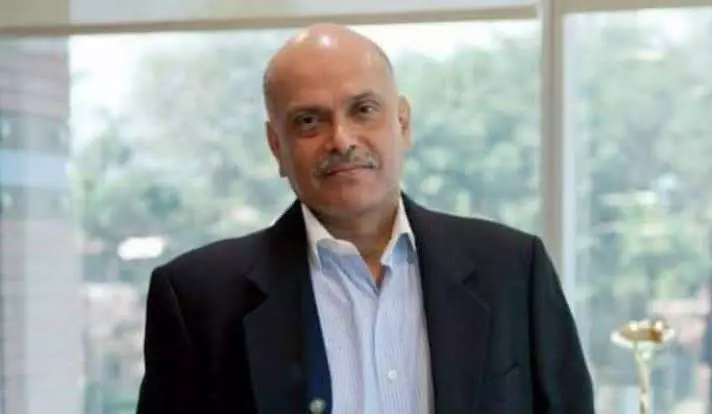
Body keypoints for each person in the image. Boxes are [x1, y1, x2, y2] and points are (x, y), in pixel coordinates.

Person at [136, 23, 594, 414]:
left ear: (403, 123)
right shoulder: (198, 299)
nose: (341, 139)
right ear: (276, 146)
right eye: (309, 121)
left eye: (363, 110)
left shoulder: (512, 269)